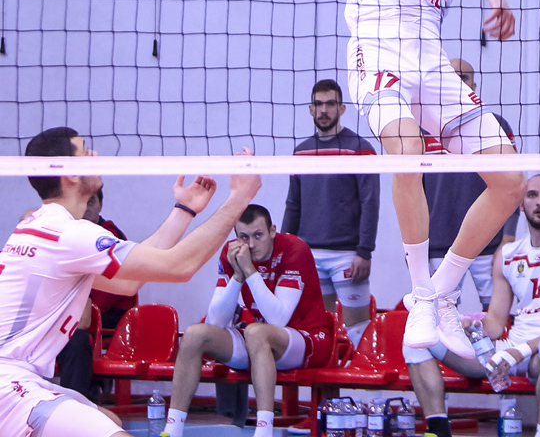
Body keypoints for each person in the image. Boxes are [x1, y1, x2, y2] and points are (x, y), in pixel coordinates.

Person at [303, 0, 526, 358]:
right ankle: (422, 290)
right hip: (378, 54)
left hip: (432, 63)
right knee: (406, 150)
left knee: (511, 180)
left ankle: (438, 292)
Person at [3, 126, 260, 437]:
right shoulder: (67, 234)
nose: (95, 154)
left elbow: (129, 283)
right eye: (85, 150)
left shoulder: (43, 227)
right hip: (10, 384)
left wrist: (184, 210)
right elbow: (180, 267)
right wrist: (239, 198)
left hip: (19, 377)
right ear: (69, 171)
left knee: (110, 421)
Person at [406, 174, 540, 437]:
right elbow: (495, 322)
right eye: (532, 195)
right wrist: (471, 326)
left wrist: (519, 352)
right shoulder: (508, 254)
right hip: (514, 348)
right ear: (521, 204)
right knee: (416, 338)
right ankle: (438, 429)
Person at [164, 204, 330, 437]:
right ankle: (172, 429)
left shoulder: (294, 249)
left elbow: (278, 319)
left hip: (309, 339)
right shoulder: (232, 253)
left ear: (272, 231)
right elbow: (216, 321)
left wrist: (250, 271)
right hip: (260, 342)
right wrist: (238, 276)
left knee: (256, 332)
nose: (251, 244)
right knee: (195, 334)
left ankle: (264, 431)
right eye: (244, 237)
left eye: (258, 235)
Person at [284, 78, 380, 347]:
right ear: (310, 109)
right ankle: (330, 378)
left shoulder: (361, 149)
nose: (324, 110)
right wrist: (285, 250)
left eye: (330, 104)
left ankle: (360, 376)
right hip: (309, 255)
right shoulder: (301, 152)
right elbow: (293, 204)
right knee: (320, 332)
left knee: (358, 332)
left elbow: (370, 203)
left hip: (348, 256)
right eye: (318, 104)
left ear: (342, 108)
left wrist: (364, 252)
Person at [422, 58, 519, 309]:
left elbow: (512, 185)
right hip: (438, 245)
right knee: (440, 316)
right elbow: (414, 193)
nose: (457, 82)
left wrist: (508, 239)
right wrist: (416, 248)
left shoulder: (496, 126)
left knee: (499, 314)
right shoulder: (421, 131)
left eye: (463, 77)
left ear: (473, 86)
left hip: (489, 243)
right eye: (451, 77)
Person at [54, 187, 139, 401]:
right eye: (83, 201)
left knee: (77, 339)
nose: (86, 207)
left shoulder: (110, 236)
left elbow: (111, 291)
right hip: (71, 313)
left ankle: (83, 396)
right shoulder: (64, 234)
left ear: (101, 205)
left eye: (92, 202)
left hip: (110, 314)